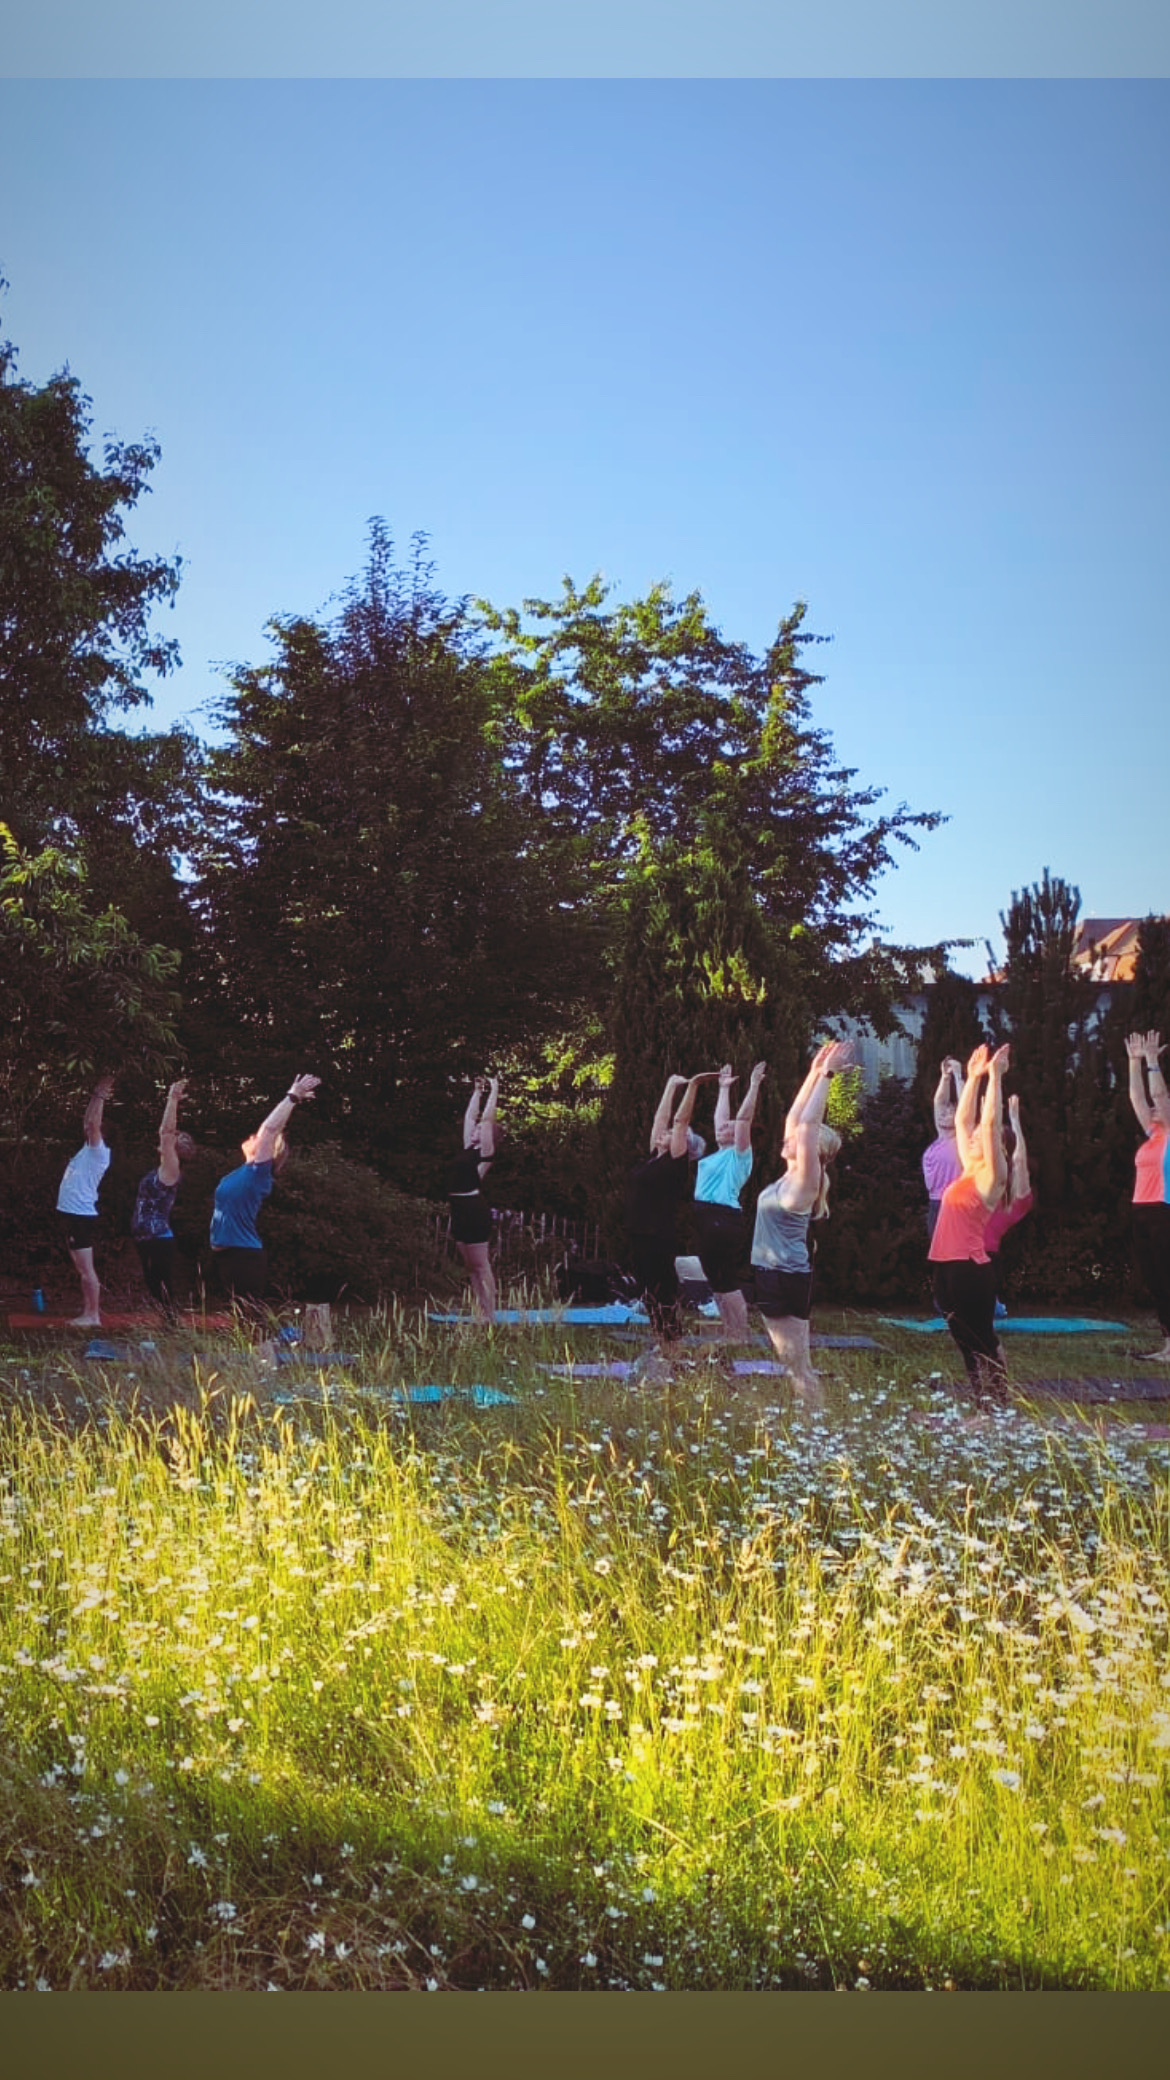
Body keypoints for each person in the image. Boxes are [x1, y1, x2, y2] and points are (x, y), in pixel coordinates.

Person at [750, 1040, 852, 1396]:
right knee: (793, 1362)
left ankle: (815, 1425)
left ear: (813, 1153)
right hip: (774, 1272)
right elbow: (797, 1119)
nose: (790, 1139)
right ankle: (812, 1421)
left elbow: (807, 1125)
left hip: (784, 1276)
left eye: (799, 1142)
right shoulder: (789, 1175)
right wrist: (813, 1072)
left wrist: (828, 1074)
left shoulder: (807, 1181)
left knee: (796, 1364)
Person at [928, 1042, 1012, 1408]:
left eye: (980, 1139)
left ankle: (997, 1401)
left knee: (982, 1338)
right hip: (943, 1264)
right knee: (962, 1339)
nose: (972, 1137)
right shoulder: (967, 1171)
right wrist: (972, 1077)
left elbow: (989, 1124)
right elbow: (964, 1121)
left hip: (969, 1268)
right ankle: (983, 1399)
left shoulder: (991, 1177)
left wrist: (994, 1078)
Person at [210, 1074, 320, 1301]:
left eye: (260, 1139)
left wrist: (292, 1097)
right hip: (228, 1256)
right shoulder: (241, 1172)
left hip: (244, 1256)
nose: (255, 1136)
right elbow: (268, 1129)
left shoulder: (258, 1174)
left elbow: (269, 1130)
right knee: (241, 1326)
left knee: (249, 1322)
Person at [625, 1070, 716, 1341]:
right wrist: (669, 1087)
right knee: (649, 1292)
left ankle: (672, 1343)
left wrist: (693, 1087)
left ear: (684, 1145)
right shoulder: (656, 1156)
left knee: (662, 1292)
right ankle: (662, 1342)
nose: (663, 1134)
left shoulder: (675, 1164)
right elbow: (660, 1119)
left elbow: (679, 1120)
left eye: (672, 1134)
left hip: (657, 1236)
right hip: (640, 1232)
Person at [692, 1061, 767, 1343]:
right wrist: (723, 1089)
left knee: (726, 1279)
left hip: (721, 1218)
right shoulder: (719, 1152)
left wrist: (754, 1084)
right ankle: (729, 1330)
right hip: (707, 1216)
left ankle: (739, 1333)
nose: (725, 1127)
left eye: (731, 1127)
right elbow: (719, 1120)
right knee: (715, 1279)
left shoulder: (740, 1154)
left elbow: (744, 1118)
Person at [1125, 1029, 1170, 1363]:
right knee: (1155, 1279)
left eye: (1160, 1107)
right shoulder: (1153, 1135)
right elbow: (1138, 1099)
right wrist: (1132, 1063)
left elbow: (1158, 1097)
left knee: (1166, 1276)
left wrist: (1152, 1061)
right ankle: (1168, 1343)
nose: (1153, 1109)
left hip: (1163, 1211)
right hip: (1142, 1211)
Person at [131, 1080, 196, 1311]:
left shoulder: (171, 1170)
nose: (165, 1142)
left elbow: (166, 1132)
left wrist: (172, 1099)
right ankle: (167, 1323)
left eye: (172, 1142)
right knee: (153, 1284)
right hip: (148, 1238)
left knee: (161, 1285)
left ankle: (171, 1325)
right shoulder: (163, 1170)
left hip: (158, 1238)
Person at [56, 1073, 115, 1327]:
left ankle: (93, 1316)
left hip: (79, 1215)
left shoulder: (99, 1152)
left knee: (86, 1270)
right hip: (72, 1214)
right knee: (82, 1269)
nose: (88, 1128)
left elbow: (92, 1124)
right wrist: (94, 1094)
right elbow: (88, 1121)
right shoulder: (87, 1151)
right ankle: (89, 1313)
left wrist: (101, 1092)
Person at [447, 1075, 499, 1322]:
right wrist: (477, 1091)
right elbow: (470, 1117)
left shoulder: (485, 1153)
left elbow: (487, 1120)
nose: (477, 1129)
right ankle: (480, 1310)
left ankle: (489, 1314)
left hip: (473, 1208)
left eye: (480, 1130)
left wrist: (495, 1089)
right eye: (476, 1130)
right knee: (470, 1267)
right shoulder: (468, 1147)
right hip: (457, 1208)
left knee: (481, 1265)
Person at [922, 1057, 965, 1242]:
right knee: (937, 1254)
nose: (943, 1114)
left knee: (956, 1253)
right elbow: (938, 1103)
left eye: (950, 1112)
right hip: (935, 1203)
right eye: (944, 1112)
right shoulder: (941, 1137)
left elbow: (966, 1105)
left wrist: (958, 1075)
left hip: (957, 1203)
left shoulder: (962, 1138)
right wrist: (945, 1077)